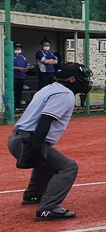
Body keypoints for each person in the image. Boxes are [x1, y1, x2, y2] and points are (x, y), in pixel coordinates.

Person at [7, 62, 91, 221]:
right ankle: (48, 208)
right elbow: (45, 120)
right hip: (28, 139)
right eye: (82, 79)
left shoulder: (49, 88)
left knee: (47, 162)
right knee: (68, 166)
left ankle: (33, 195)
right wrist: (37, 146)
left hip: (17, 137)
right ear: (72, 79)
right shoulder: (64, 94)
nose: (85, 82)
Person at [12, 42, 30, 110]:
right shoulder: (11, 57)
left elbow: (27, 65)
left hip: (21, 77)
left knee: (19, 92)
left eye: (19, 48)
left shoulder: (22, 57)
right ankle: (13, 106)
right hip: (14, 77)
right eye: (17, 48)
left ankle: (17, 106)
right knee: (13, 92)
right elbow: (9, 66)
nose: (18, 49)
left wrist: (28, 67)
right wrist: (18, 68)